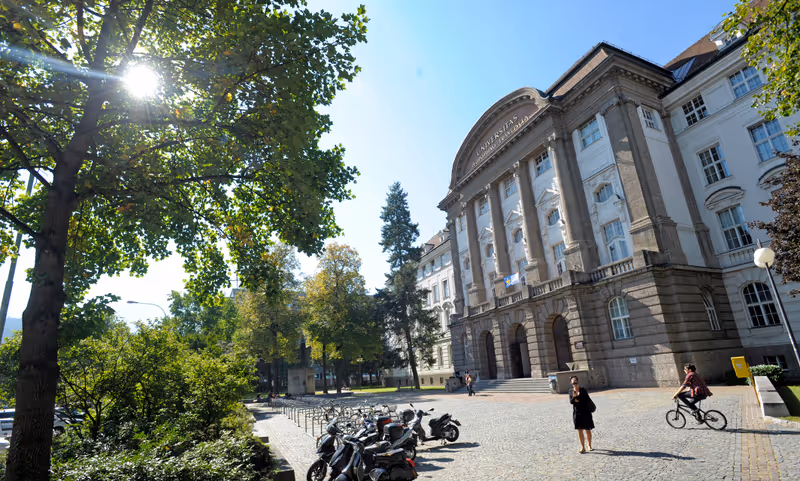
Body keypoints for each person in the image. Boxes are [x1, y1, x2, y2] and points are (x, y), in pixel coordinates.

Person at [569, 375, 595, 454]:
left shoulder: (583, 390)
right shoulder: (571, 391)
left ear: (578, 382)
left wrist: (578, 397)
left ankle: (589, 445)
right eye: (573, 383)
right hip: (577, 413)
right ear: (571, 383)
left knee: (587, 430)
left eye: (576, 383)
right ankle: (583, 447)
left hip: (585, 412)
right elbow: (571, 402)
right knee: (580, 430)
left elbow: (586, 400)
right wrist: (574, 397)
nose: (575, 385)